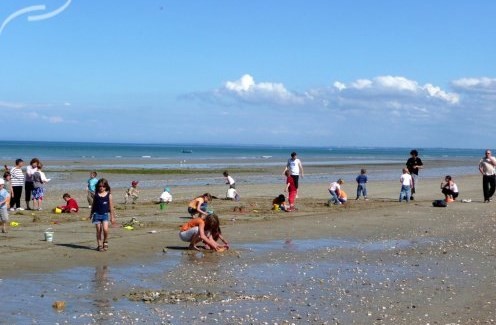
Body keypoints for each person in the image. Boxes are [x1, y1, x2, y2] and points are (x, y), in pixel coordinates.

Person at [90, 178, 116, 251]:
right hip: (96, 214)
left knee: (105, 229)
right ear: (98, 186)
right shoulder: (96, 195)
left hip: (105, 215)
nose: (101, 188)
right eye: (100, 186)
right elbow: (93, 205)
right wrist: (91, 214)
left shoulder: (109, 195)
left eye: (103, 186)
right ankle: (99, 245)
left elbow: (111, 207)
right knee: (98, 230)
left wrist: (112, 217)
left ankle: (105, 241)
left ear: (106, 187)